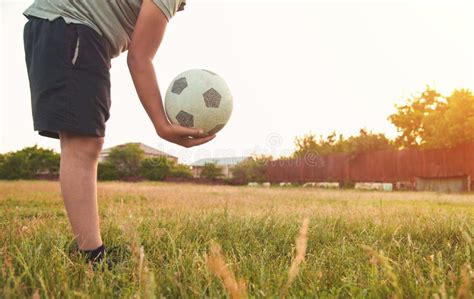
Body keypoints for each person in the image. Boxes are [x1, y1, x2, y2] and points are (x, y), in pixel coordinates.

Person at [22, 0, 215, 265]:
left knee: (83, 142)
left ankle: (90, 253)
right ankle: (92, 258)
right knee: (83, 144)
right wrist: (162, 124)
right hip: (71, 26)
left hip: (67, 29)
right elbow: (139, 57)